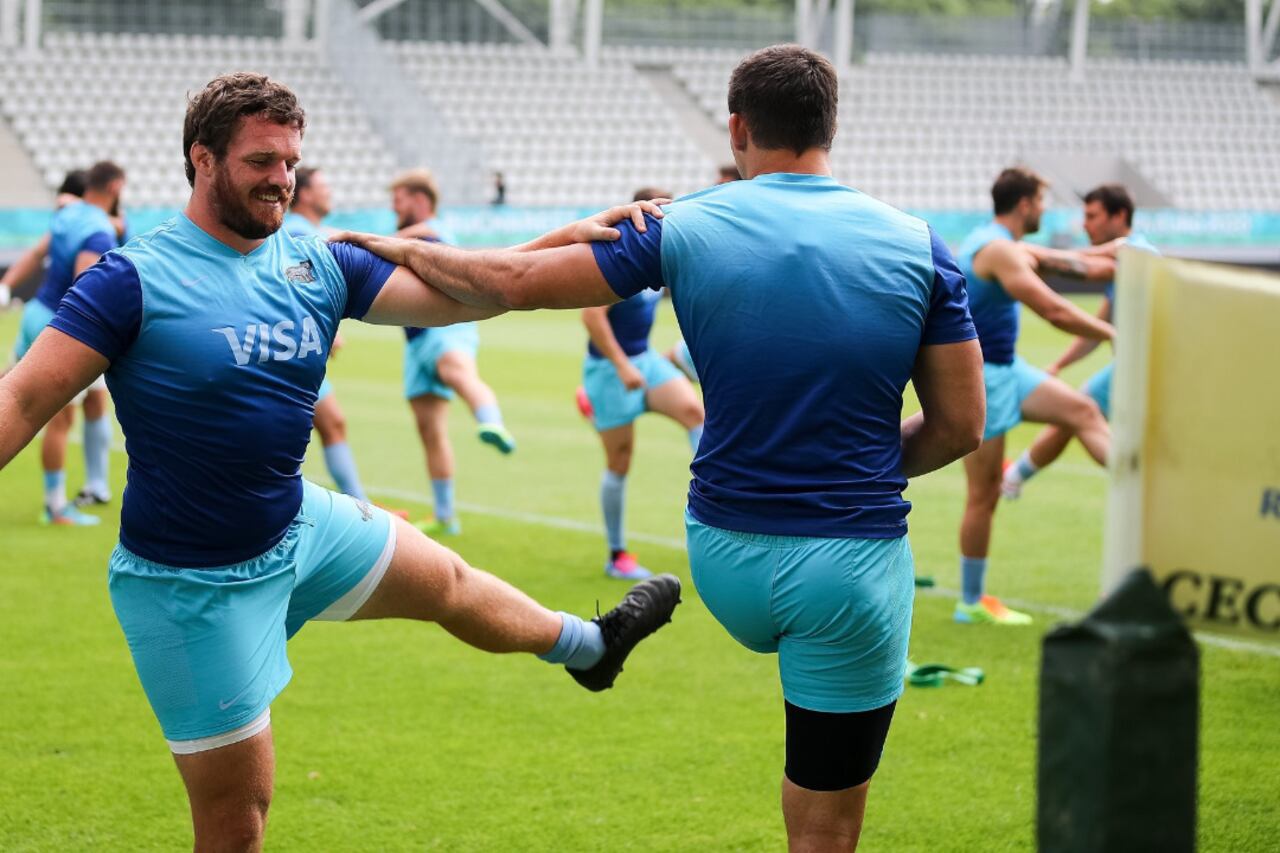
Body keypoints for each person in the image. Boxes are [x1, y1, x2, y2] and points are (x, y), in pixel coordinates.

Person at [0, 72, 681, 851]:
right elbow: (20, 400)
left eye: (291, 160)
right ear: (203, 160)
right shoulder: (134, 280)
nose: (282, 178)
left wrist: (573, 234)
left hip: (298, 529)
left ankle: (591, 650)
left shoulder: (315, 261)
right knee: (237, 826)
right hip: (192, 586)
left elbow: (472, 294)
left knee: (452, 584)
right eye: (262, 160)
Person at [337, 44, 986, 853]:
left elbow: (508, 283)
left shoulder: (678, 222)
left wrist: (401, 245)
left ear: (738, 127)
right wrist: (850, 471)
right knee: (826, 821)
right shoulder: (920, 244)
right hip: (846, 568)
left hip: (721, 554)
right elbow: (960, 424)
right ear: (831, 126)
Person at [952, 167, 1118, 626]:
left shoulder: (1002, 243)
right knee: (983, 494)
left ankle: (1134, 478)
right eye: (1041, 201)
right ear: (1025, 204)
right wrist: (1111, 332)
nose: (1045, 209)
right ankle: (970, 601)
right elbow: (1053, 308)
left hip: (1008, 370)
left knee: (1082, 410)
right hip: (981, 378)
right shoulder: (998, 249)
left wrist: (1119, 252)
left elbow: (1071, 262)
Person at [1001, 183, 1157, 498]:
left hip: (1154, 367)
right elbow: (1096, 329)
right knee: (1076, 411)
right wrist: (1059, 364)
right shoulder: (1125, 268)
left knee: (1080, 413)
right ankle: (1014, 478)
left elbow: (1120, 248)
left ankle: (1150, 490)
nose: (1085, 224)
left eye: (1093, 216)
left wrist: (1041, 255)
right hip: (1131, 366)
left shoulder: (1140, 252)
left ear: (1120, 216)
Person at [580, 189, 704, 581]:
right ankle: (616, 555)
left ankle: (716, 514)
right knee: (621, 460)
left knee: (696, 414)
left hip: (645, 362)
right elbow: (591, 316)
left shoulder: (660, 255)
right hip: (610, 371)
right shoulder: (622, 255)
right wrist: (621, 367)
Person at [390, 168, 516, 536]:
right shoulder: (412, 235)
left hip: (445, 332)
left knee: (458, 373)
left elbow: (424, 236)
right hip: (414, 341)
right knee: (430, 431)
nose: (394, 208)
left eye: (399, 200)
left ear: (419, 201)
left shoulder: (435, 232)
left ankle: (491, 421)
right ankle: (446, 516)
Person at [3, 161, 126, 523]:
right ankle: (55, 507)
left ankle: (85, 490)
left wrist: (5, 286)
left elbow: (35, 254)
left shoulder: (68, 214)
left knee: (11, 392)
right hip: (60, 324)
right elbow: (84, 290)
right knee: (58, 420)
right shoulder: (99, 230)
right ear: (115, 187)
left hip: (34, 312)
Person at [284, 166, 379, 507]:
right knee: (313, 427)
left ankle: (359, 505)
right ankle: (358, 507)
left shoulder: (306, 229)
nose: (330, 192)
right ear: (305, 194)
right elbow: (294, 281)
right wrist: (325, 325)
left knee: (331, 424)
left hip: (295, 345)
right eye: (324, 186)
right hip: (290, 348)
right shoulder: (297, 230)